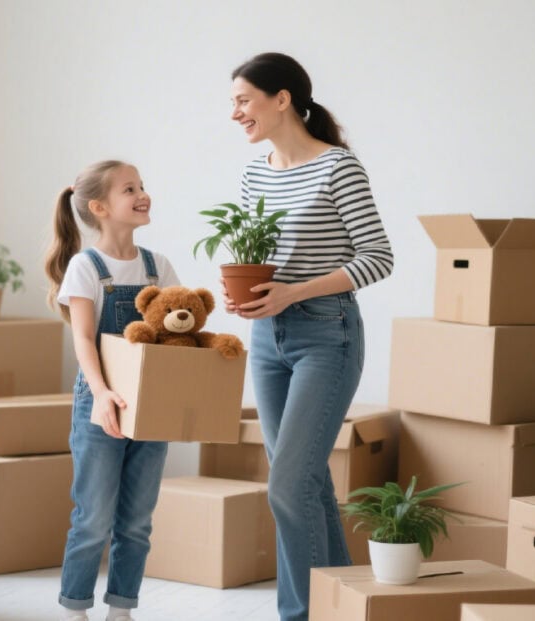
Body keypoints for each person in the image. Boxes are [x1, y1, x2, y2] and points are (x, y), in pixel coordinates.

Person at [225, 53, 394, 621]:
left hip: (328, 334)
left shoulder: (338, 167)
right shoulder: (255, 171)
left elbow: (378, 258)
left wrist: (294, 293)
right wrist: (241, 287)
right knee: (307, 482)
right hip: (267, 338)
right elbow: (252, 253)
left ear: (282, 99)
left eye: (243, 100)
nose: (235, 113)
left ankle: (301, 616)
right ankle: (345, 607)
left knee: (287, 484)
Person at [44, 160, 181, 621]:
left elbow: (177, 331)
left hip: (151, 404)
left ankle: (121, 609)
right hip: (100, 403)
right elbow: (83, 339)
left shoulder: (157, 266)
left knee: (137, 521)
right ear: (100, 207)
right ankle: (74, 608)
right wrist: (101, 395)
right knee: (92, 519)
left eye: (142, 185)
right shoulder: (86, 266)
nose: (143, 194)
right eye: (130, 189)